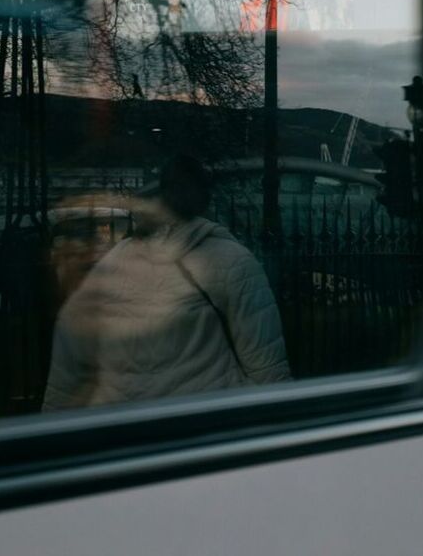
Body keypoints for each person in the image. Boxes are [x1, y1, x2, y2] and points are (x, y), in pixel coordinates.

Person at [43, 155, 290, 410]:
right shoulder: (235, 263)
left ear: (161, 195)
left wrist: (50, 433)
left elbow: (69, 364)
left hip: (125, 427)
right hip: (204, 424)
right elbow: (266, 365)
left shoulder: (115, 260)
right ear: (205, 198)